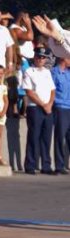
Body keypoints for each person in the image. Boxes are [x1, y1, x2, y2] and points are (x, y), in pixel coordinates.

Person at [23, 47, 56, 175]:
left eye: (43, 57)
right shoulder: (29, 71)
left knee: (46, 138)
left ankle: (46, 165)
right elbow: (29, 92)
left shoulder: (47, 72)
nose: (40, 59)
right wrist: (43, 104)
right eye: (38, 57)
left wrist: (50, 104)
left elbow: (52, 90)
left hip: (48, 108)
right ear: (34, 57)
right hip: (35, 107)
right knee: (33, 137)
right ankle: (30, 165)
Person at [51, 57, 70, 174]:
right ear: (64, 59)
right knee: (60, 136)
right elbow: (51, 90)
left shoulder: (69, 73)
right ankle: (59, 165)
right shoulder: (54, 73)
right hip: (60, 107)